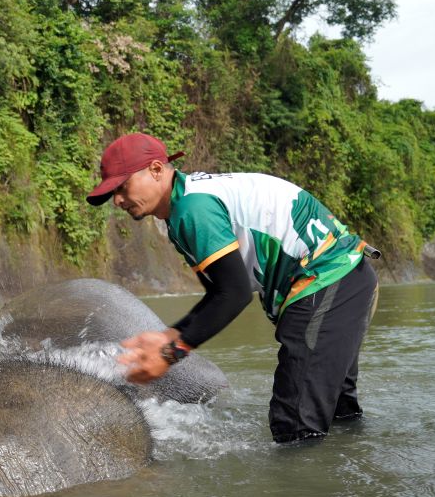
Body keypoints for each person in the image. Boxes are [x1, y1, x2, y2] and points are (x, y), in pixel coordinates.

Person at [86, 133, 380, 443]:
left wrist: (171, 353)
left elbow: (235, 293)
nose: (117, 200)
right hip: (345, 279)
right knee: (336, 410)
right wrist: (168, 336)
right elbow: (219, 291)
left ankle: (304, 488)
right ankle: (353, 465)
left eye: (122, 187)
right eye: (112, 193)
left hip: (328, 280)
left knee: (295, 426)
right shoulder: (184, 208)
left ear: (157, 170)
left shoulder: (193, 209)